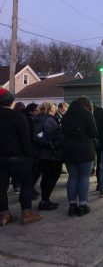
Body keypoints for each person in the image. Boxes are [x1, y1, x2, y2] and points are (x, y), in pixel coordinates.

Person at [0, 88, 42, 225]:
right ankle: (26, 213)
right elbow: (25, 139)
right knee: (27, 184)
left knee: (1, 187)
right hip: (19, 158)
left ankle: (4, 215)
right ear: (11, 101)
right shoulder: (18, 116)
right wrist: (30, 156)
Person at [62, 97, 98, 216]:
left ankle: (72, 206)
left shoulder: (66, 115)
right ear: (87, 105)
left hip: (68, 150)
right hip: (85, 150)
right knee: (83, 177)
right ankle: (83, 205)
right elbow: (94, 133)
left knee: (72, 177)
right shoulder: (87, 114)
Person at [34, 102, 63, 210]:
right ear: (50, 109)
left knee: (45, 178)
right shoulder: (49, 120)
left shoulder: (36, 119)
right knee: (51, 178)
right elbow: (55, 136)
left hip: (39, 154)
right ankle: (45, 201)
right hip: (51, 155)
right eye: (54, 108)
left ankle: (44, 200)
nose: (55, 110)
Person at [24, 103, 40, 199]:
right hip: (31, 149)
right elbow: (33, 135)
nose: (38, 112)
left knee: (35, 171)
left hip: (32, 149)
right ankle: (29, 192)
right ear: (31, 111)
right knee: (31, 171)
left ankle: (31, 189)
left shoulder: (32, 119)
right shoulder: (29, 120)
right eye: (36, 110)